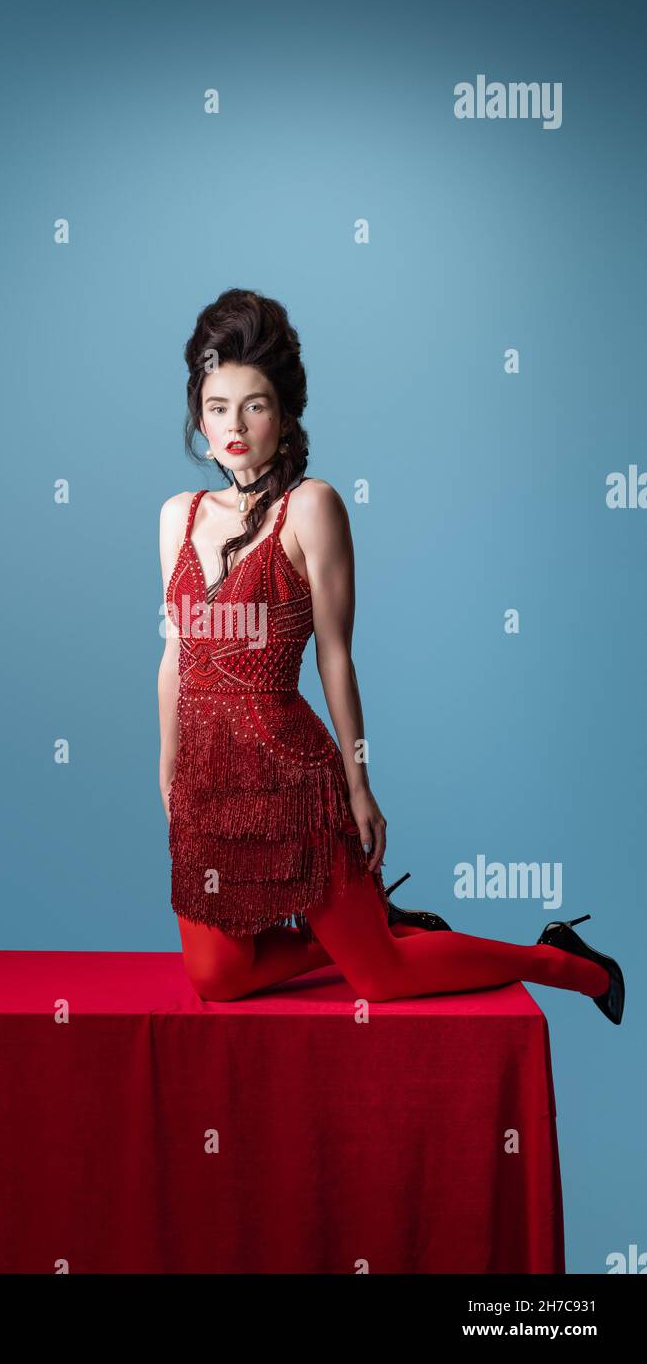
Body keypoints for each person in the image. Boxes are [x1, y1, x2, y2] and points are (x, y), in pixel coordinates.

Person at [158, 288, 624, 1024]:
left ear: (284, 414)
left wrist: (359, 785)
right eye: (217, 407)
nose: (235, 425)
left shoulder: (312, 506)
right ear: (197, 414)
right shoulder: (175, 516)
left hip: (292, 775)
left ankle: (562, 960)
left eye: (255, 405)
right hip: (208, 785)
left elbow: (335, 657)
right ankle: (373, 927)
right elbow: (174, 657)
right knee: (216, 977)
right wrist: (168, 768)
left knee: (381, 978)